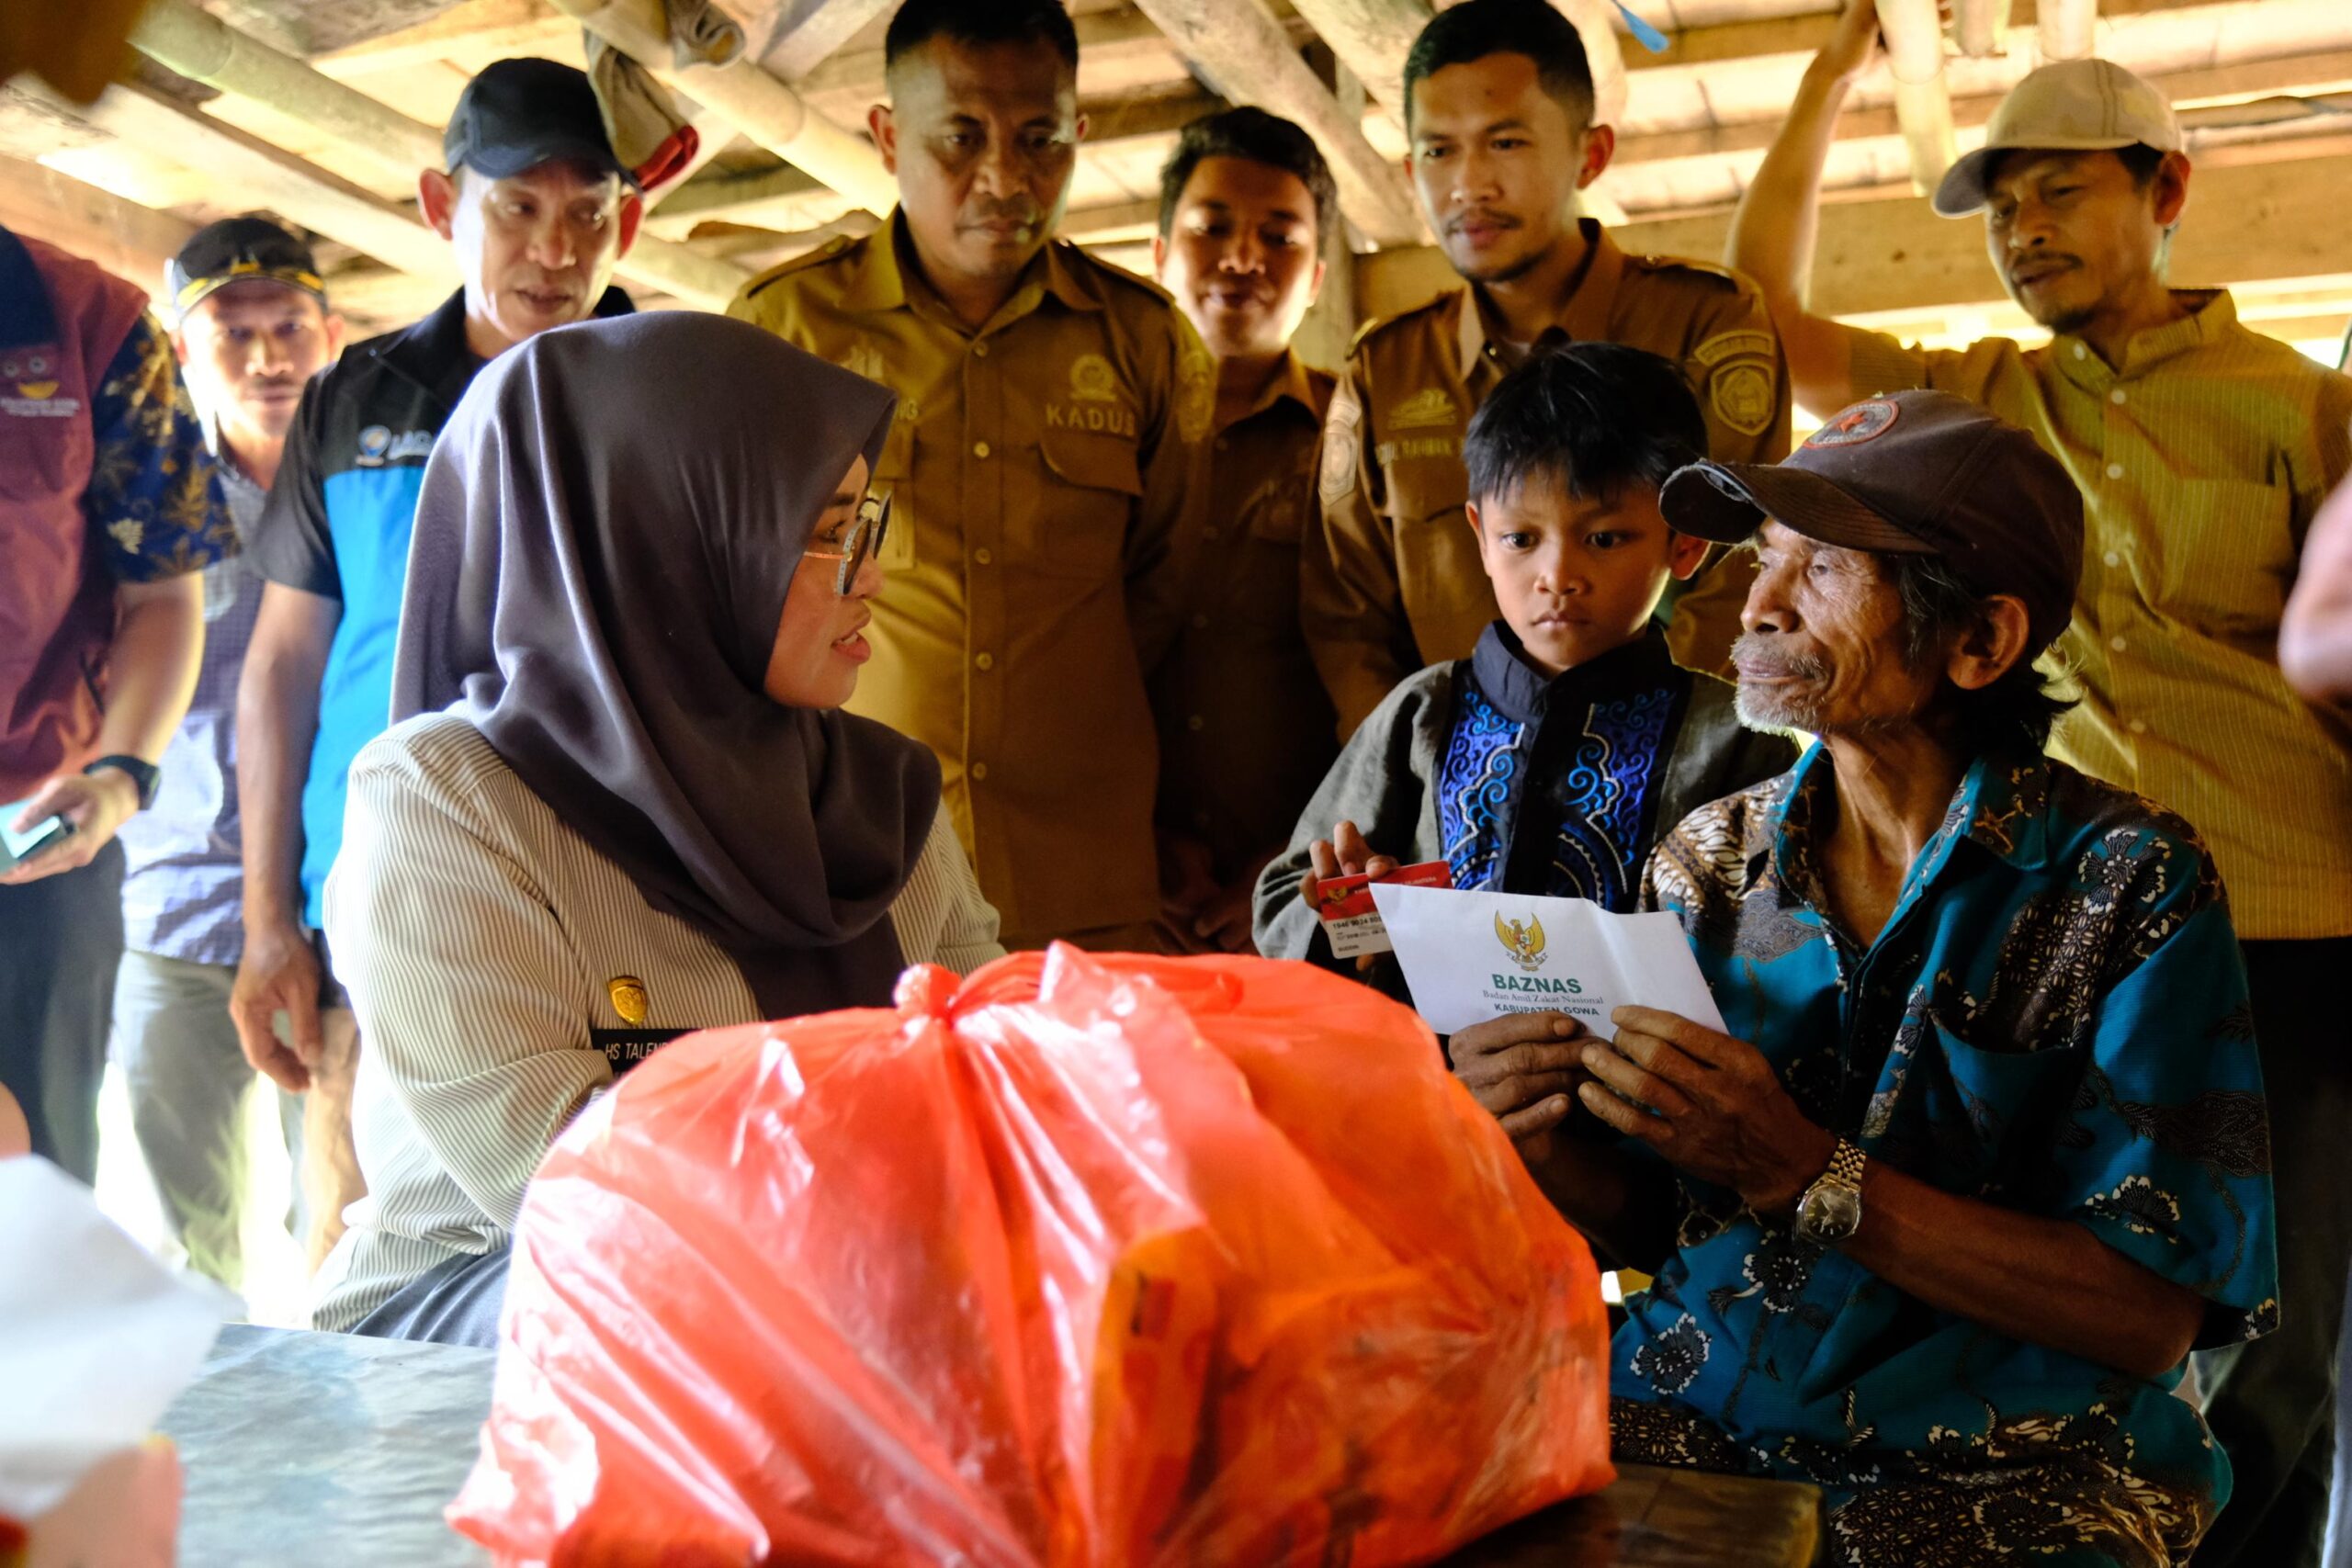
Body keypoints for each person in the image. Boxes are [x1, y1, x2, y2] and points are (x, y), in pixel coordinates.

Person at [1453, 390, 2276, 1567]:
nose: (1757, 604)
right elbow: (1661, 1217)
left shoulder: (2128, 881)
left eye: (1823, 571)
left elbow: (2149, 1318)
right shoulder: (1708, 862)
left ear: (1981, 640)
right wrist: (1531, 1139)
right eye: (1763, 560)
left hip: (2012, 1453)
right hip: (1695, 1403)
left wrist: (1801, 1167)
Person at [1728, 17, 2352, 1561]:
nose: (2020, 232)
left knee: (2275, 1331)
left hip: (2293, 912)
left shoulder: (2304, 403)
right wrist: (1826, 78)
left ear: (2168, 190)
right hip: (2066, 937)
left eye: (2056, 191)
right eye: (2001, 209)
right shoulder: (1985, 397)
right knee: (2063, 1299)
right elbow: (1756, 320)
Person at [311, 313, 1003, 1347]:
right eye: (822, 534)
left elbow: (995, 1073)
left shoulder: (878, 792)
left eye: (869, 524)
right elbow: (570, 1185)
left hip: (848, 1305)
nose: (873, 577)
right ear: (658, 538)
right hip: (493, 1322)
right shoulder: (448, 799)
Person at [232, 58, 641, 1268]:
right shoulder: (355, 401)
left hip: (605, 921)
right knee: (359, 1263)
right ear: (439, 204)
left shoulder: (668, 389)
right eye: (517, 206)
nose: (555, 249)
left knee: (599, 1268)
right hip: (372, 915)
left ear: (631, 219)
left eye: (588, 214)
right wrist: (267, 922)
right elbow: (281, 669)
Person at [728, 0, 1214, 953]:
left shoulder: (1145, 341)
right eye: (960, 136)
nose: (1005, 177)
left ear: (1077, 134)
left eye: (1039, 139)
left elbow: (1159, 594)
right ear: (885, 135)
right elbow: (729, 606)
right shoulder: (784, 335)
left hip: (1083, 882)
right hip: (854, 874)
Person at [1306, 0, 1789, 737]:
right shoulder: (1388, 370)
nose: (1469, 185)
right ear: (1409, 170)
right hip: (1450, 799)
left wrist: (1638, 756)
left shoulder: (1703, 325)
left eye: (1504, 142)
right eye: (1439, 151)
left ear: (1590, 155)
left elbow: (1737, 579)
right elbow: (1348, 621)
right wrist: (1418, 780)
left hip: (1671, 781)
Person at [1257, 343, 1794, 973]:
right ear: (1480, 537)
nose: (1558, 575)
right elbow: (1281, 904)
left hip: (1643, 1067)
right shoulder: (1421, 715)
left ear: (1685, 545)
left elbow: (1784, 945)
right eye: (1521, 538)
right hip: (1443, 1069)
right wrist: (1356, 915)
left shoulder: (1738, 740)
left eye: (1603, 538)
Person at [110, 218, 345, 1289]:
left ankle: (343, 1447)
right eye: (231, 331)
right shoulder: (144, 502)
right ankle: (196, 1453)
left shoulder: (370, 490)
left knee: (346, 1225)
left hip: (333, 916)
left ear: (331, 333)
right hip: (166, 909)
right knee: (177, 1244)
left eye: (289, 324)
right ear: (179, 347)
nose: (266, 356)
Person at [0, 221, 218, 1183]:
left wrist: (122, 774)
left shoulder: (93, 324)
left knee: (33, 1191)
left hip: (33, 838)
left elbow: (163, 594)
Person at [1148, 107, 1341, 954]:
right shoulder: (1103, 436)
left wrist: (1293, 861)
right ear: (1159, 253)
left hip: (1309, 882)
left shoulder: (1355, 436)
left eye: (1280, 234)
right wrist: (1119, 837)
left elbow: (1391, 665)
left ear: (1319, 276)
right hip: (1122, 880)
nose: (1242, 258)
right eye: (1212, 226)